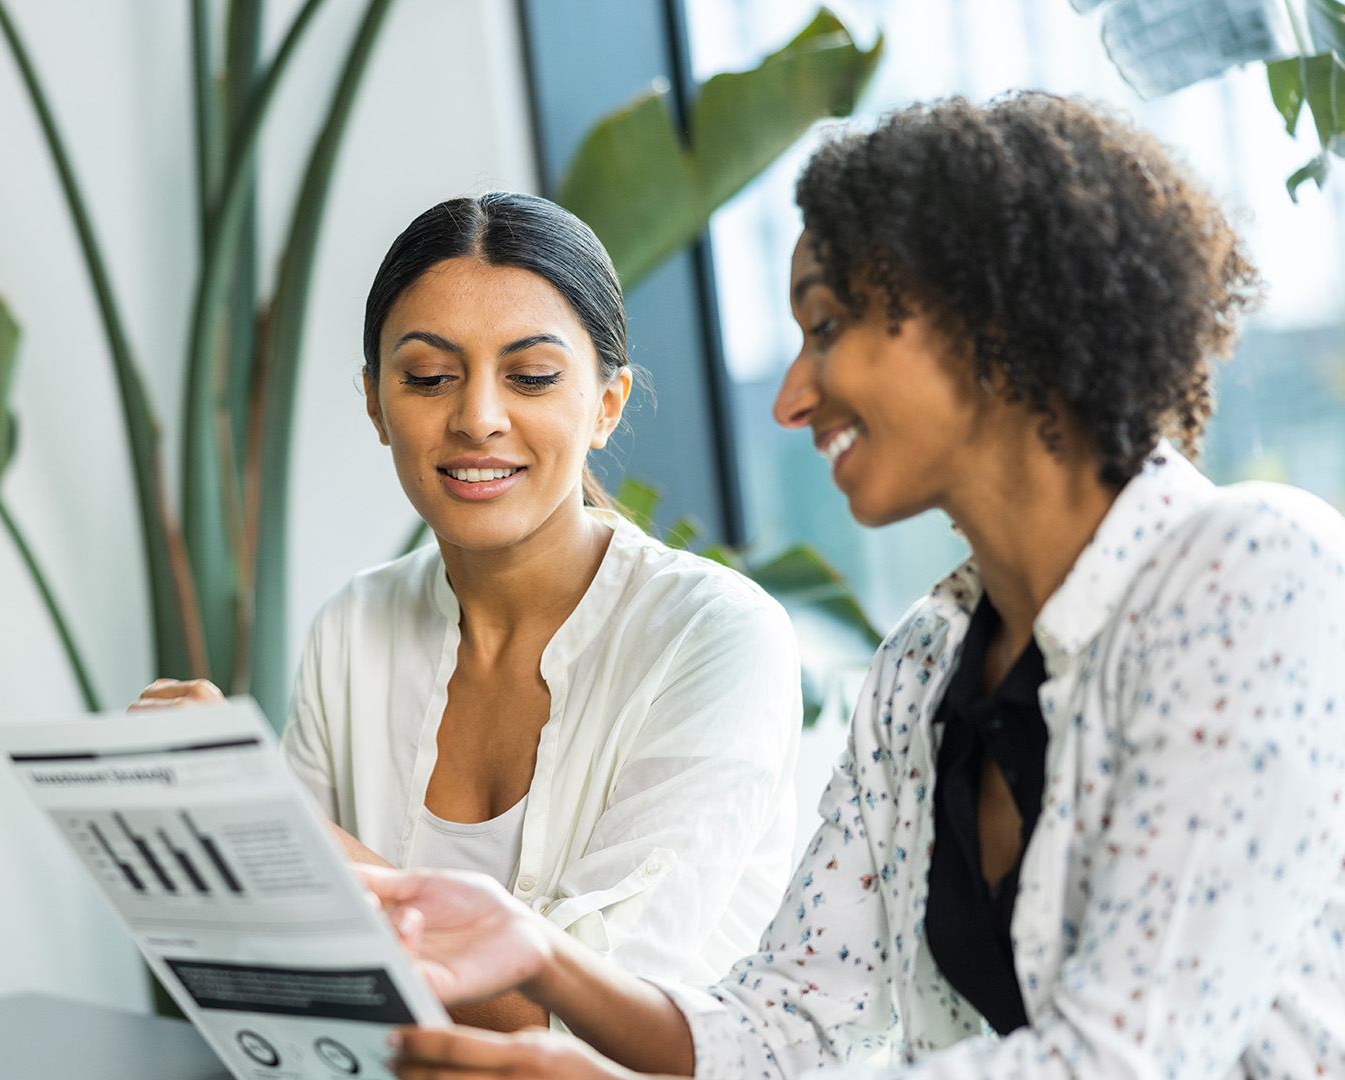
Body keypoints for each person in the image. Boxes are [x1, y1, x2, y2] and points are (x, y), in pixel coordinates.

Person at [360, 92, 1345, 1079]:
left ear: (991, 318)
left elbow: (1123, 1058)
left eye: (826, 325)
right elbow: (787, 1026)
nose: (793, 397)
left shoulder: (1250, 573)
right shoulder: (927, 666)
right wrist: (543, 957)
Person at [134, 192, 805, 1031]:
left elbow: (587, 1016)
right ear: (377, 403)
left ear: (607, 404)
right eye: (427, 377)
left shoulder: (715, 636)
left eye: (530, 377)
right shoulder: (353, 628)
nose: (478, 418)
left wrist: (277, 821)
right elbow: (294, 965)